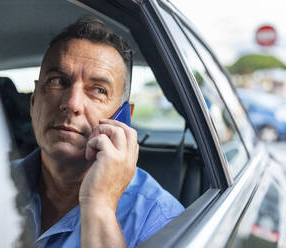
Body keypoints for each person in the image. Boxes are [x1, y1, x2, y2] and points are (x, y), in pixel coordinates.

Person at [13, 16, 184, 248]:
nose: (72, 103)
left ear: (125, 118)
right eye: (57, 81)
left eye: (98, 90)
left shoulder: (160, 219)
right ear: (33, 104)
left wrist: (100, 204)